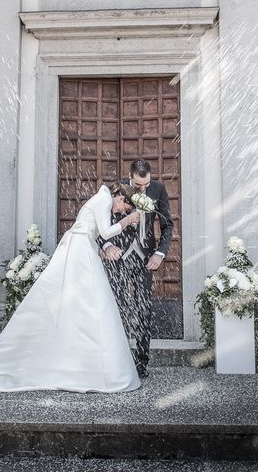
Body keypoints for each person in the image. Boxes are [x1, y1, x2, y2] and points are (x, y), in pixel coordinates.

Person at [0, 182, 141, 393]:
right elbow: (107, 232)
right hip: (79, 251)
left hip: (82, 247)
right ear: (120, 198)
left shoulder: (104, 198)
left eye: (123, 212)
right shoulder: (105, 199)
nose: (120, 212)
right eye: (123, 208)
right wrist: (128, 221)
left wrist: (107, 242)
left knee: (84, 304)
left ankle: (82, 362)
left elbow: (96, 230)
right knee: (85, 301)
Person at [100, 159, 173, 379]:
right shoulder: (116, 187)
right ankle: (116, 361)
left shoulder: (158, 189)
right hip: (119, 257)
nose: (143, 188)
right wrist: (106, 244)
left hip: (145, 259)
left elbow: (167, 224)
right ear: (130, 177)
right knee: (117, 307)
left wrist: (160, 253)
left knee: (143, 310)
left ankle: (141, 362)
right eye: (138, 185)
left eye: (146, 184)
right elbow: (99, 220)